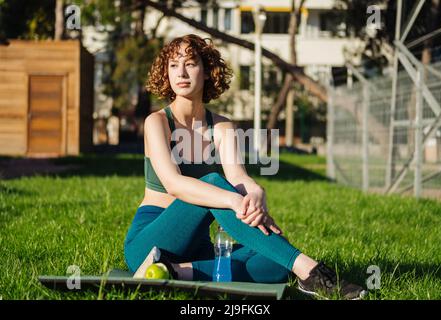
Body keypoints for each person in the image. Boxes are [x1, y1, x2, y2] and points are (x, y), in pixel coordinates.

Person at [123, 34, 366, 300]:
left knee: (275, 260)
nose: (181, 72)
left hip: (195, 248)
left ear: (206, 71)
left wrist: (255, 193)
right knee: (214, 181)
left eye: (190, 63)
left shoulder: (222, 126)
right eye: (173, 65)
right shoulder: (156, 122)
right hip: (151, 242)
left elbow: (238, 176)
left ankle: (173, 271)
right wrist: (233, 200)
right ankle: (312, 271)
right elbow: (174, 183)